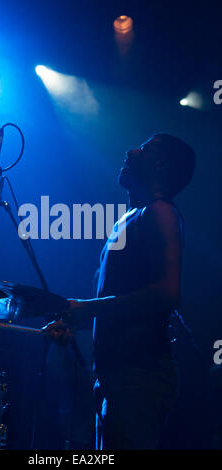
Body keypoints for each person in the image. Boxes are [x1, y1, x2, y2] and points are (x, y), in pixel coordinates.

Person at [44, 133, 196, 449]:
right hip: (116, 376)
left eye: (146, 148)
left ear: (161, 166)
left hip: (139, 376)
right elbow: (120, 303)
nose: (131, 150)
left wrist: (88, 308)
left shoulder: (160, 212)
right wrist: (76, 320)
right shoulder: (126, 220)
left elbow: (167, 294)